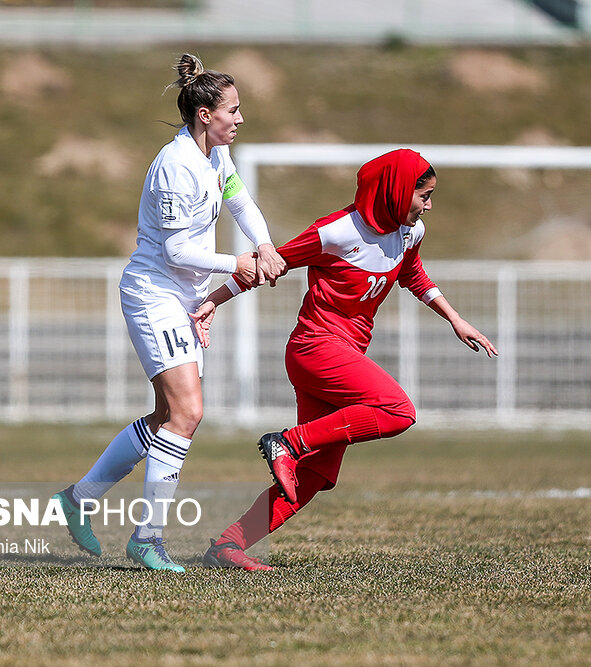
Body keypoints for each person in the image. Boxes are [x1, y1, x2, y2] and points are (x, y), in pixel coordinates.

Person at [193, 148, 497, 571]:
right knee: (398, 411)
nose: (429, 204)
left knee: (315, 475)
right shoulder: (335, 231)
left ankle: (228, 546)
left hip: (344, 353)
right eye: (423, 195)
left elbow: (413, 275)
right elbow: (270, 264)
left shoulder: (411, 232)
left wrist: (455, 318)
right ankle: (287, 442)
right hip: (315, 348)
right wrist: (213, 301)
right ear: (395, 190)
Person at [51, 53, 285, 572]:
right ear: (205, 114)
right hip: (153, 295)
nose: (240, 118)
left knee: (167, 417)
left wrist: (264, 246)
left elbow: (241, 204)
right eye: (234, 109)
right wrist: (238, 262)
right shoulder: (174, 166)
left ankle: (78, 499)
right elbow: (178, 252)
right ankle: (147, 538)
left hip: (181, 298)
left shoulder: (215, 158)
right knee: (188, 413)